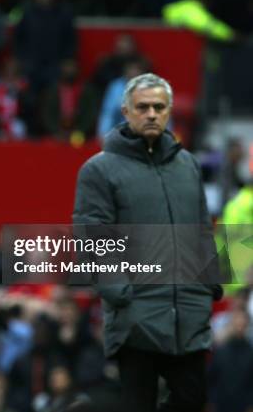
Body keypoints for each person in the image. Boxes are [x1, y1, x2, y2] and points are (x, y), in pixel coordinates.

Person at [73, 73, 223, 412]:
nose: (152, 114)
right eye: (143, 107)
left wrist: (210, 281)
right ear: (126, 112)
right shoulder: (99, 169)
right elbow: (92, 234)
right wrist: (120, 293)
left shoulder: (188, 165)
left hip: (188, 310)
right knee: (137, 404)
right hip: (135, 313)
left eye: (159, 107)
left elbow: (201, 227)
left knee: (192, 399)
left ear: (169, 111)